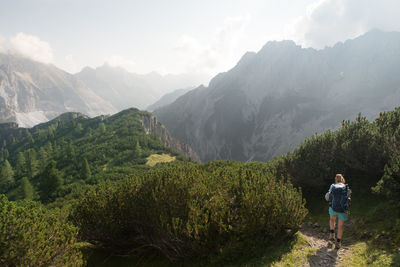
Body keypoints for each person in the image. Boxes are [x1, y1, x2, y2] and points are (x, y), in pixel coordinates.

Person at [324, 174, 351, 249]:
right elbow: (348, 199)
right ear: (342, 179)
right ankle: (338, 242)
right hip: (342, 209)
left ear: (336, 179)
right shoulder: (346, 187)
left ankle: (332, 234)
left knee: (332, 220)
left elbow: (327, 197)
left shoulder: (332, 186)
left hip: (332, 208)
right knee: (340, 226)